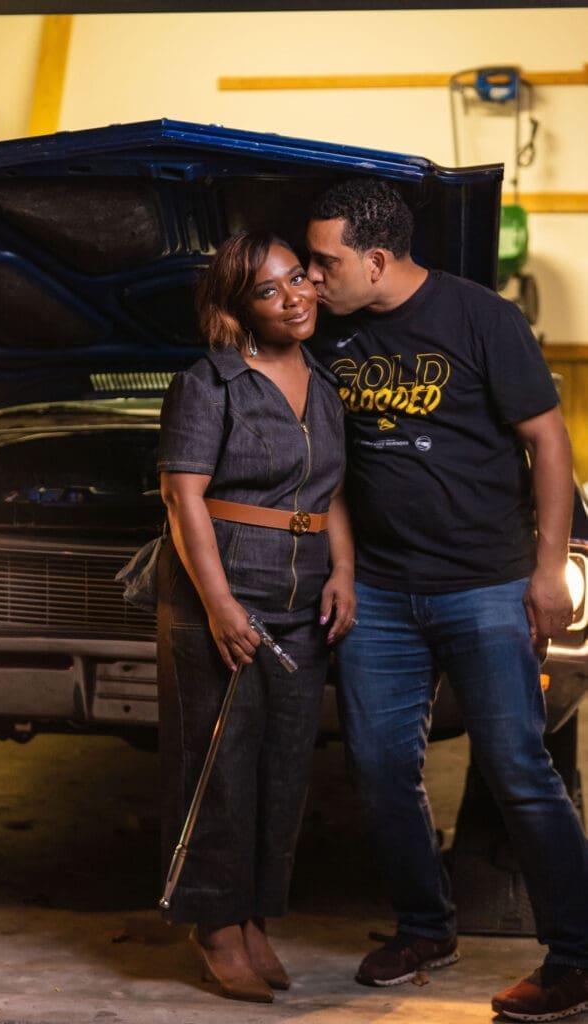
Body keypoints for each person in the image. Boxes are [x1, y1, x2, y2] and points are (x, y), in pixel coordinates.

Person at [305, 176, 588, 1021]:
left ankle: (575, 955)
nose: (314, 280)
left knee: (517, 772)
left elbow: (546, 441)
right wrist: (347, 569)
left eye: (326, 264)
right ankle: (425, 926)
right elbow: (336, 473)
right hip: (383, 598)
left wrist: (546, 567)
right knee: (382, 768)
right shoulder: (330, 339)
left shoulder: (481, 319)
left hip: (487, 585)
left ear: (378, 259)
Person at [156, 230, 355, 1003]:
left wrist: (344, 570)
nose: (294, 296)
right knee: (218, 767)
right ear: (239, 308)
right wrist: (219, 606)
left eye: (299, 278)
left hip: (304, 599)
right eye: (270, 290)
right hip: (226, 591)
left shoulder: (327, 383)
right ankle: (213, 923)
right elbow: (183, 498)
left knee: (281, 767)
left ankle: (254, 916)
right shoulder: (210, 384)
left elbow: (332, 490)